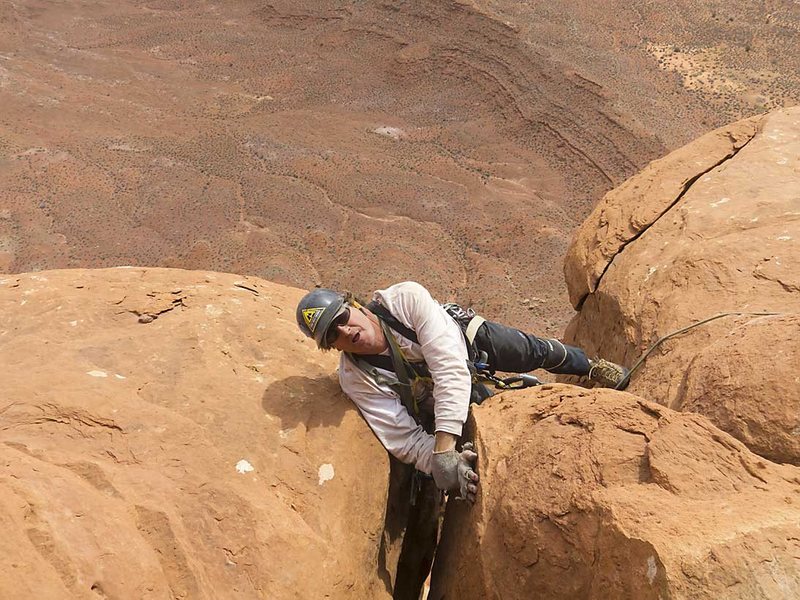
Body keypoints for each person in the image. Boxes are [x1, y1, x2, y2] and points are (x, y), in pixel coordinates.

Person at [295, 281, 628, 503]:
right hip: (440, 400)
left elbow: (448, 367)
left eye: (342, 317)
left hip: (466, 344)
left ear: (353, 304)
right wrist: (446, 465)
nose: (345, 331)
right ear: (329, 347)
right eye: (331, 335)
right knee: (500, 413)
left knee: (532, 351)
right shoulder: (356, 378)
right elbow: (403, 438)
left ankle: (589, 366)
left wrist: (443, 449)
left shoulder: (403, 300)